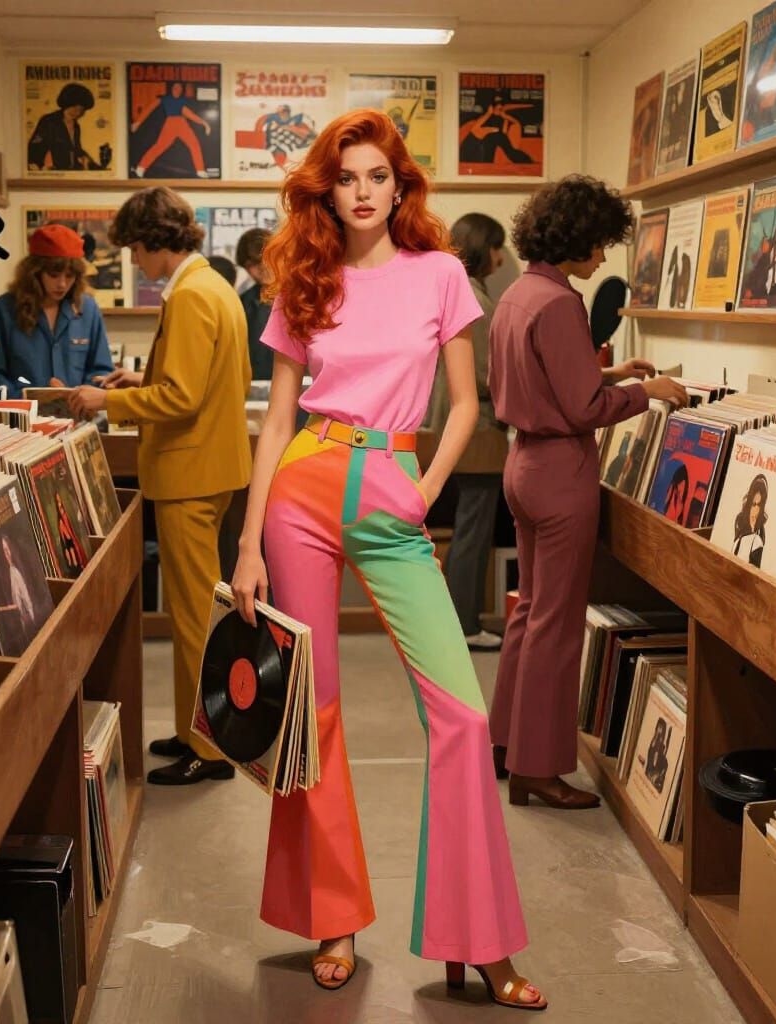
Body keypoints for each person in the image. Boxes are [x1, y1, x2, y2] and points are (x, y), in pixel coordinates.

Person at [231, 109, 543, 1009]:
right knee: (313, 713)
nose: (364, 191)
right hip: (300, 493)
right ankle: (335, 916)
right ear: (327, 189)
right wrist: (250, 541)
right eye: (348, 177)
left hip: (393, 489)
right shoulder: (306, 281)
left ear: (400, 187)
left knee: (460, 714)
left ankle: (476, 941)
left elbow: (466, 404)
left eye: (380, 176)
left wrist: (424, 489)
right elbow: (278, 419)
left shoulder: (442, 274)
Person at [488, 175, 688, 811]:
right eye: (599, 244)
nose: (603, 257)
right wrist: (643, 394)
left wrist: (610, 370)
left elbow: (539, 377)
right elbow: (581, 405)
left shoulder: (520, 295)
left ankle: (505, 741)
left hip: (521, 464)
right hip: (562, 473)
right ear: (575, 239)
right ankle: (540, 769)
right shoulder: (563, 304)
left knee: (528, 611)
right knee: (558, 623)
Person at [68, 186, 252, 787]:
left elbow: (181, 396)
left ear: (151, 245)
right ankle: (195, 727)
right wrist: (138, 377)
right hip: (206, 468)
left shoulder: (193, 294)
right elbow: (202, 378)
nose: (137, 266)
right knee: (194, 607)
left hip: (188, 474)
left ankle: (210, 745)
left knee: (194, 613)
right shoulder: (213, 287)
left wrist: (109, 398)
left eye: (136, 253)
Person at [425, 212, 509, 651]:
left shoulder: (460, 291)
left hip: (471, 430)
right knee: (473, 530)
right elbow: (482, 375)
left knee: (468, 529)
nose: (501, 256)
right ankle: (463, 622)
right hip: (479, 430)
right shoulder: (472, 297)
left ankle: (459, 619)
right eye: (497, 246)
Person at [0, 224, 114, 398]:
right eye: (54, 275)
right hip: (22, 418)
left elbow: (101, 370)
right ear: (35, 273)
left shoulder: (88, 310)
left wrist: (84, 396)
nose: (62, 284)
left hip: (78, 418)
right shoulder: (3, 310)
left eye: (69, 276)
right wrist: (29, 398)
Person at [131, 81, 212, 179]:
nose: (178, 90)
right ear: (171, 89)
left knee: (194, 144)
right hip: (170, 125)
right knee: (159, 147)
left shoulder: (181, 101)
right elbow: (149, 108)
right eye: (175, 88)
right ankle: (140, 168)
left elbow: (188, 113)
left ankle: (200, 171)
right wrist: (138, 122)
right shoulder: (164, 99)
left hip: (182, 124)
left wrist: (204, 123)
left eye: (180, 89)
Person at [27, 83, 110, 172]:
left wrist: (97, 168)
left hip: (71, 172)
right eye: (75, 108)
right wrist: (41, 166)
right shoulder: (49, 121)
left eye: (81, 110)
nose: (78, 113)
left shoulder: (76, 126)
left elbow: (77, 150)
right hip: (52, 173)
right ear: (67, 104)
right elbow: (35, 148)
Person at [235, 227, 274, 380]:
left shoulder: (304, 296)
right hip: (255, 387)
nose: (262, 268)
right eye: (253, 264)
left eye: (266, 259)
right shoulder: (242, 303)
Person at [0, 536, 38, 642]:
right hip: (22, 624)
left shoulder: (15, 571)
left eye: (8, 549)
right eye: (4, 550)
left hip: (29, 622)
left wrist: (1, 609)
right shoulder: (7, 574)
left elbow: (22, 603)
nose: (8, 553)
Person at [732, 474, 768, 568]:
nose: (755, 510)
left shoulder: (756, 541)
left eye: (759, 505)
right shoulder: (739, 537)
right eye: (753, 504)